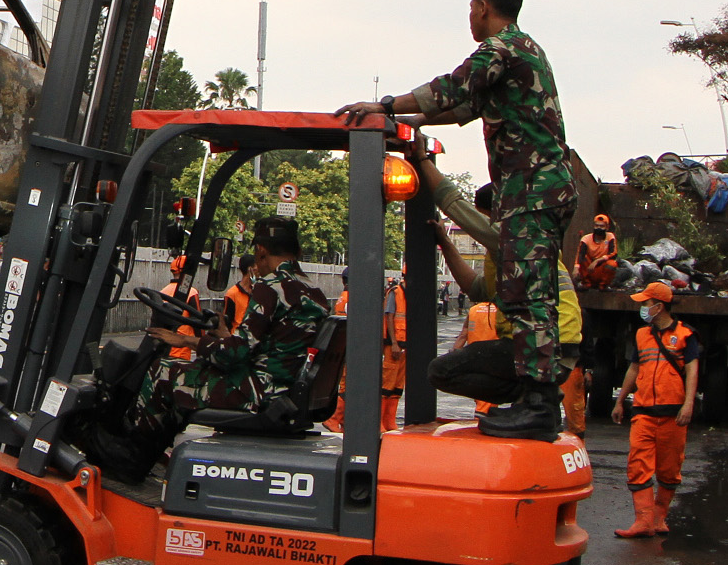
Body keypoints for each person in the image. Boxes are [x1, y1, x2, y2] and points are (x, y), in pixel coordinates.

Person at [337, 0, 574, 437]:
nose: (469, 17)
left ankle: (539, 404)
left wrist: (384, 105)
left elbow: (452, 87)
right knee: (526, 293)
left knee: (528, 297)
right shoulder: (525, 53)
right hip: (539, 191)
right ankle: (535, 398)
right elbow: (461, 106)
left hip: (532, 191)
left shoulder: (501, 49)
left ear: (483, 7)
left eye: (471, 8)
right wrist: (409, 119)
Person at [116, 217, 332, 477]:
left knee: (162, 371)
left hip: (257, 391)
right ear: (295, 250)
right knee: (190, 374)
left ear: (261, 251)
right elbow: (266, 346)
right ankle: (158, 457)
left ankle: (129, 460)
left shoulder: (272, 287)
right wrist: (222, 334)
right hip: (281, 387)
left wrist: (186, 340)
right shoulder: (314, 292)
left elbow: (232, 355)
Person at [416, 156, 584, 434]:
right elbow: (479, 290)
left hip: (543, 344)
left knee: (442, 371)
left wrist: (422, 159)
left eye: (484, 217)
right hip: (552, 345)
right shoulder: (514, 250)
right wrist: (446, 244)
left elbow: (455, 205)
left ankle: (533, 401)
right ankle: (536, 402)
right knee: (452, 367)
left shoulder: (519, 235)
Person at [611, 281, 699, 539]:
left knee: (670, 469)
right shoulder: (641, 335)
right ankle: (643, 521)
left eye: (646, 303)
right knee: (638, 464)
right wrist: (620, 400)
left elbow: (692, 370)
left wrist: (688, 404)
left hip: (673, 414)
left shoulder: (686, 335)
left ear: (659, 307)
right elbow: (634, 369)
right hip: (644, 411)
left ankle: (659, 518)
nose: (642, 307)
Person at [324, 267, 407, 434]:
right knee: (349, 385)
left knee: (353, 384)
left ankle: (343, 419)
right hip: (352, 346)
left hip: (349, 345)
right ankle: (334, 419)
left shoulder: (344, 297)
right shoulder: (352, 297)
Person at [158, 254, 201, 363]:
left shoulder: (163, 292)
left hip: (163, 348)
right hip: (181, 349)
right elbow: (198, 323)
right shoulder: (191, 292)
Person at [574, 214, 618, 289]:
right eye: (597, 226)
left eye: (601, 226)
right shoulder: (586, 239)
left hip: (601, 268)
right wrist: (576, 267)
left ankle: (603, 286)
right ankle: (586, 284)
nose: (599, 228)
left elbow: (614, 253)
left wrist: (598, 261)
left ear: (607, 227)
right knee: (583, 258)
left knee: (612, 264)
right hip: (589, 269)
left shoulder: (610, 237)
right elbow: (580, 255)